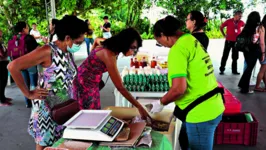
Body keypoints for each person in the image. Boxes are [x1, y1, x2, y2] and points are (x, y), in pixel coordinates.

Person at [8, 15, 87, 150]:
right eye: (78, 42)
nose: (79, 45)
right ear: (68, 38)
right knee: (44, 146)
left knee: (59, 146)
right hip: (47, 111)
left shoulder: (67, 52)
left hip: (63, 109)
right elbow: (13, 66)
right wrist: (28, 93)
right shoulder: (47, 51)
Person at [151, 16, 225, 150]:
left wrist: (161, 102)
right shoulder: (190, 39)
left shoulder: (177, 49)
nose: (162, 45)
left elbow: (179, 89)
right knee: (184, 141)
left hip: (200, 113)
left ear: (163, 35)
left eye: (159, 41)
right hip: (211, 103)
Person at [73, 28, 150, 120]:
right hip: (84, 83)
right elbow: (120, 87)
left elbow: (97, 40)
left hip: (92, 82)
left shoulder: (110, 45)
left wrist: (92, 59)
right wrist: (139, 107)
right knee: (88, 115)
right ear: (124, 43)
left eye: (135, 49)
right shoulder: (108, 54)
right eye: (132, 48)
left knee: (93, 112)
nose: (133, 52)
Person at [238, 12, 265, 94]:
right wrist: (263, 53)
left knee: (248, 69)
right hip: (254, 51)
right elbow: (262, 43)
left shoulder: (246, 26)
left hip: (246, 50)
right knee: (249, 69)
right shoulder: (260, 27)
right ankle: (244, 89)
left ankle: (242, 85)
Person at [219, 11, 245, 75]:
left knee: (235, 57)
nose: (241, 17)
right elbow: (221, 27)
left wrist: (242, 35)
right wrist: (224, 35)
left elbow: (246, 28)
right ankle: (222, 69)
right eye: (239, 16)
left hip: (236, 42)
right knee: (225, 55)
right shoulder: (229, 21)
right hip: (228, 41)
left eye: (241, 16)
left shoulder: (241, 22)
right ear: (235, 15)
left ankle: (234, 70)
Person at [0, 30, 12, 106]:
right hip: (0, 63)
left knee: (3, 81)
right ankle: (2, 101)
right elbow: (1, 54)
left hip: (3, 63)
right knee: (1, 82)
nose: (1, 32)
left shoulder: (1, 41)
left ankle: (3, 97)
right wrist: (8, 52)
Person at [255, 15, 266, 92]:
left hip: (260, 50)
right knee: (263, 69)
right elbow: (262, 42)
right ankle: (257, 86)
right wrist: (263, 53)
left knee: (264, 69)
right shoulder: (262, 28)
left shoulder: (259, 27)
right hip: (263, 50)